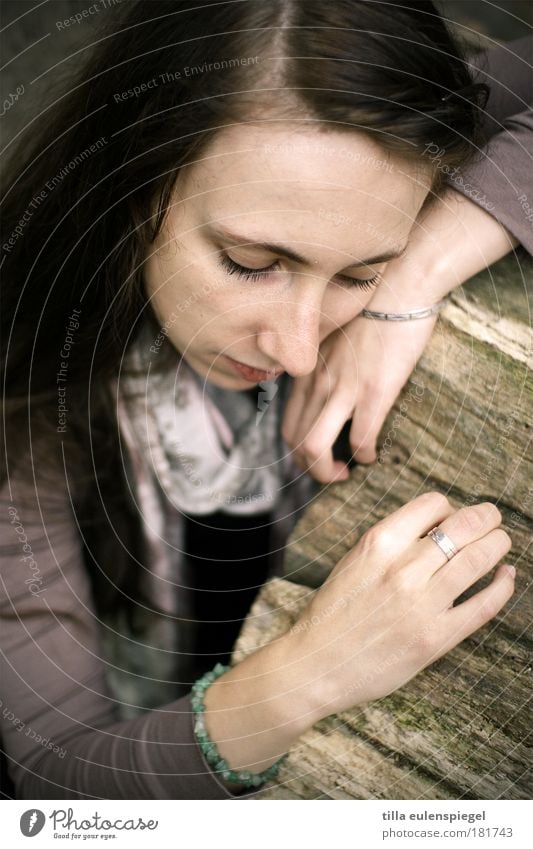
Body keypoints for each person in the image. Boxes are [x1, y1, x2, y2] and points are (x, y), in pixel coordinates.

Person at [0, 0, 530, 800]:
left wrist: (417, 272)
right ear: (135, 184)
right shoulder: (27, 409)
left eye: (357, 272)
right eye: (252, 262)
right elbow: (52, 776)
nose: (298, 347)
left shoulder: (406, 167)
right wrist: (308, 674)